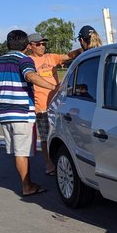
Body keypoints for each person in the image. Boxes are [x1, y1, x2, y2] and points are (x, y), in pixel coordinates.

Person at [0, 30, 58, 196]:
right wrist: (53, 87)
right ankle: (27, 186)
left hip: (4, 114)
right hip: (21, 112)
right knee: (22, 153)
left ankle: (27, 183)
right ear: (26, 46)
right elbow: (30, 76)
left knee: (19, 153)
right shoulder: (24, 59)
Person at [28, 33, 82, 175]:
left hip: (58, 105)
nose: (42, 46)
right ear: (30, 46)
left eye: (43, 43)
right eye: (38, 44)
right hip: (42, 107)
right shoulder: (28, 61)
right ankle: (49, 164)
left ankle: (62, 162)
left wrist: (80, 50)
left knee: (61, 134)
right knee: (46, 136)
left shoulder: (51, 57)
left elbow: (69, 56)